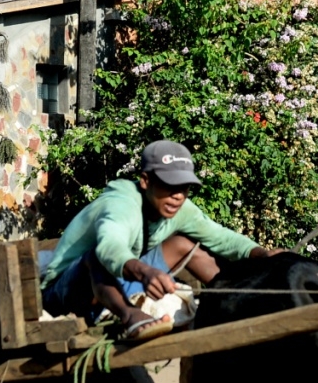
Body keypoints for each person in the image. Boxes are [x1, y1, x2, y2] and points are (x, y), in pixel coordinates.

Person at [41, 140, 279, 338]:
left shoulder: (178, 206)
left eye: (184, 187)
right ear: (145, 181)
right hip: (66, 292)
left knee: (183, 246)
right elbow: (109, 247)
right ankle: (130, 317)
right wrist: (144, 272)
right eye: (169, 185)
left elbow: (221, 237)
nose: (177, 195)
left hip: (115, 282)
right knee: (96, 256)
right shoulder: (121, 205)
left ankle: (236, 305)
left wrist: (262, 254)